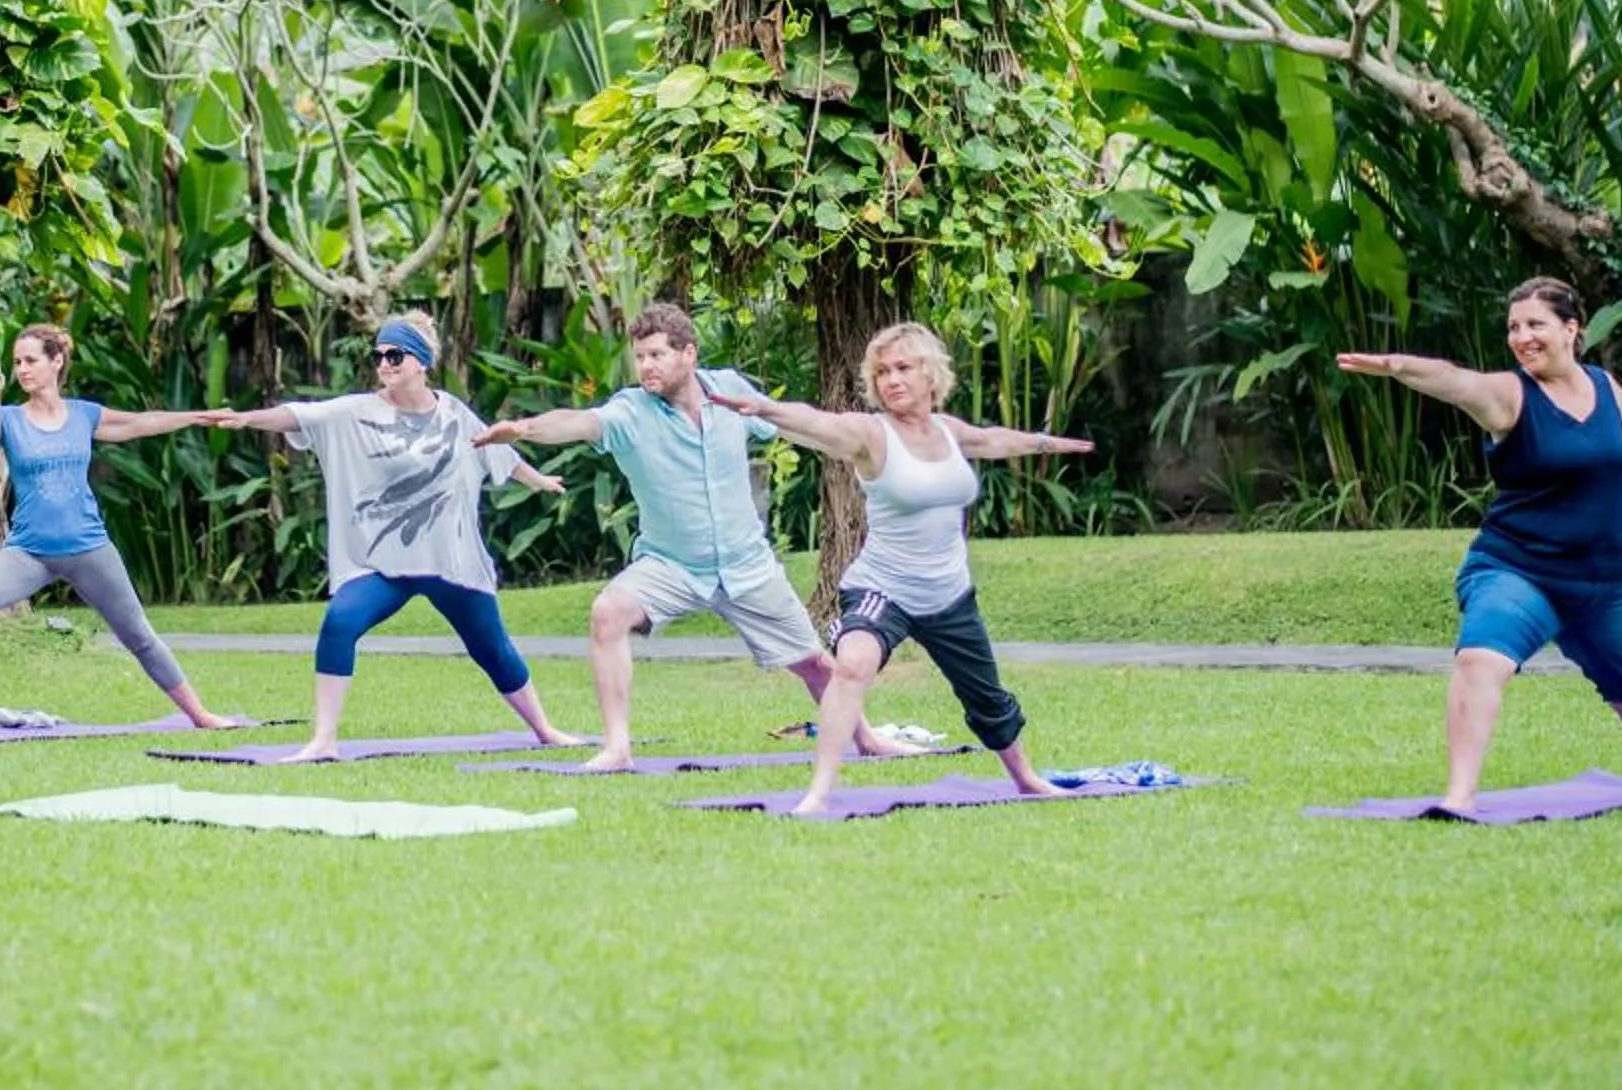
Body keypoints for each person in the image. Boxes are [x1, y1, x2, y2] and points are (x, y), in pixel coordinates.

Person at [1339, 276, 1622, 816]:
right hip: (1519, 570)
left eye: (1535, 324)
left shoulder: (1603, 387)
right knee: (1480, 658)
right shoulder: (1510, 396)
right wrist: (1400, 367)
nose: (1522, 337)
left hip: (1607, 582)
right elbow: (1457, 381)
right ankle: (1459, 796)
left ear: (1572, 330)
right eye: (1514, 328)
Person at [474, 302, 904, 773]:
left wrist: (852, 442)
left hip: (746, 563)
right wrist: (525, 429)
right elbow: (581, 422)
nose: (646, 366)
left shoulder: (730, 393)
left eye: (657, 355)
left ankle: (867, 739)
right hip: (672, 564)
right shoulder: (630, 412)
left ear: (689, 354)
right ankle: (617, 748)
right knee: (608, 613)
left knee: (815, 666)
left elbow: (784, 421)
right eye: (640, 357)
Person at [705, 323, 1089, 814]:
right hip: (882, 586)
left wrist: (1047, 443)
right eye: (882, 372)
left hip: (949, 594)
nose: (891, 380)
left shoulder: (949, 432)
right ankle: (818, 793)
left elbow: (992, 440)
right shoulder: (872, 434)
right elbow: (820, 422)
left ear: (931, 374)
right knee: (853, 664)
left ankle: (1027, 779)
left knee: (988, 700)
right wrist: (767, 409)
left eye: (903, 368)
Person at [216, 312, 585, 763]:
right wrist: (245, 419)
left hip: (448, 561)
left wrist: (538, 480)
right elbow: (297, 415)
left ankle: (545, 730)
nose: (385, 363)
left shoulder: (452, 412)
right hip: (383, 565)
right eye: (379, 356)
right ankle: (323, 741)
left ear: (423, 362)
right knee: (340, 623)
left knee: (491, 647)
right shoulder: (357, 412)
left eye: (395, 355)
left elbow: (493, 449)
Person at [0, 322, 238, 742]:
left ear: (56, 362)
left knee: (139, 635)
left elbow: (139, 423)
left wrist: (198, 417)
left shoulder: (85, 416)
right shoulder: (7, 421)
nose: (22, 370)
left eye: (31, 361)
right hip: (29, 554)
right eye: (17, 362)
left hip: (90, 549)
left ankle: (201, 715)